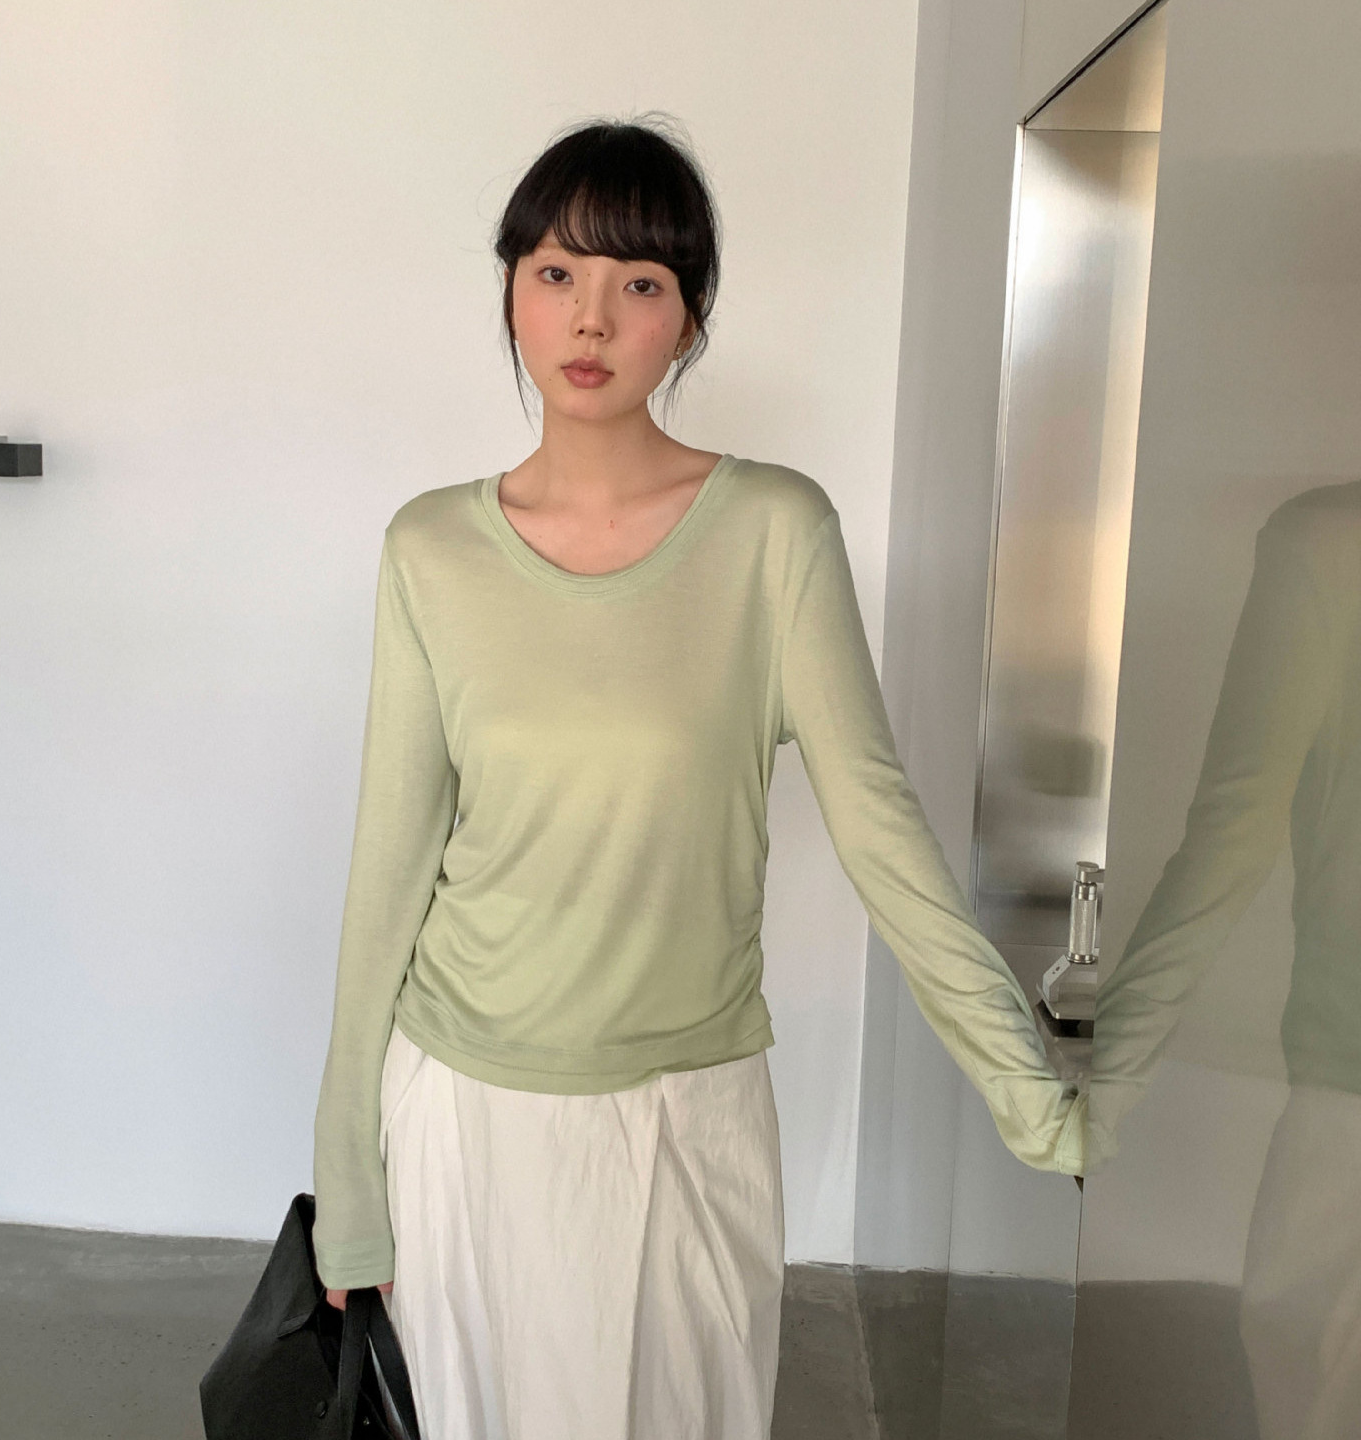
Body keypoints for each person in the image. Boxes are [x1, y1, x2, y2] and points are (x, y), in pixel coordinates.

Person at [311, 112, 1085, 1440]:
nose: (591, 318)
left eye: (640, 282)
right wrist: (347, 1175)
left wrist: (1038, 1098)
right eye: (557, 272)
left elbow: (881, 830)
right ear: (511, 290)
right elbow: (390, 862)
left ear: (689, 318)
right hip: (465, 1108)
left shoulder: (775, 533)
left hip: (687, 1115)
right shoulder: (429, 549)